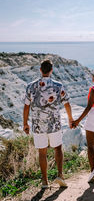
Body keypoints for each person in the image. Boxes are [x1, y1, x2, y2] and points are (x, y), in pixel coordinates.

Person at [23, 59, 73, 188]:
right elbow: (66, 103)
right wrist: (70, 119)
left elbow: (26, 107)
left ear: (40, 70)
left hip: (38, 125)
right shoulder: (58, 85)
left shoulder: (31, 86)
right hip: (54, 123)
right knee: (58, 148)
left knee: (42, 152)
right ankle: (60, 175)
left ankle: (44, 181)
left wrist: (25, 124)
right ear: (51, 70)